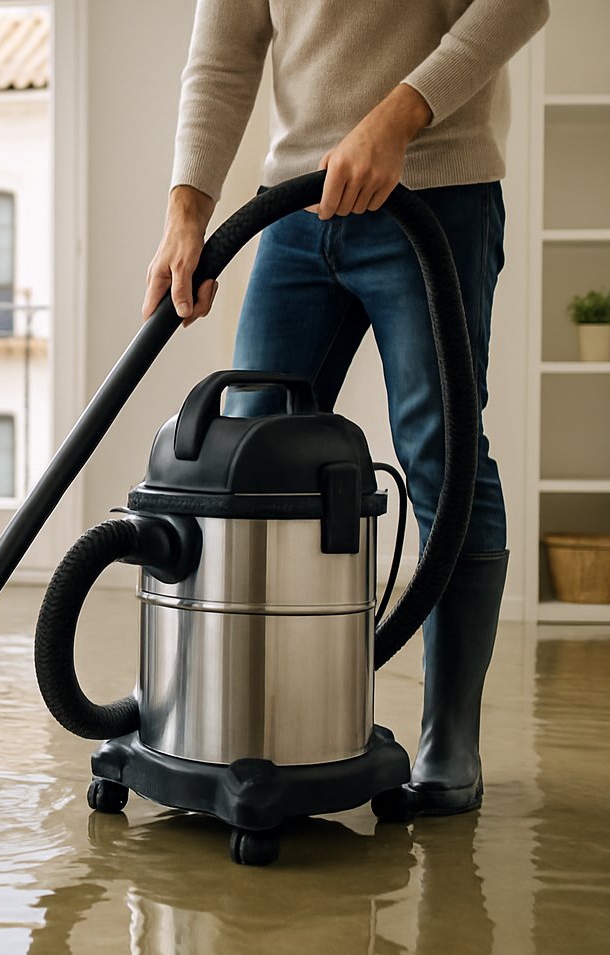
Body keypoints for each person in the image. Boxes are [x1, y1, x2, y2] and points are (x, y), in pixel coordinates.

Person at [142, 0, 550, 817]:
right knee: (247, 463)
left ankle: (449, 741)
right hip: (293, 206)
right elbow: (223, 54)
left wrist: (398, 115)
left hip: (436, 188)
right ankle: (252, 715)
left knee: (442, 456)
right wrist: (188, 209)